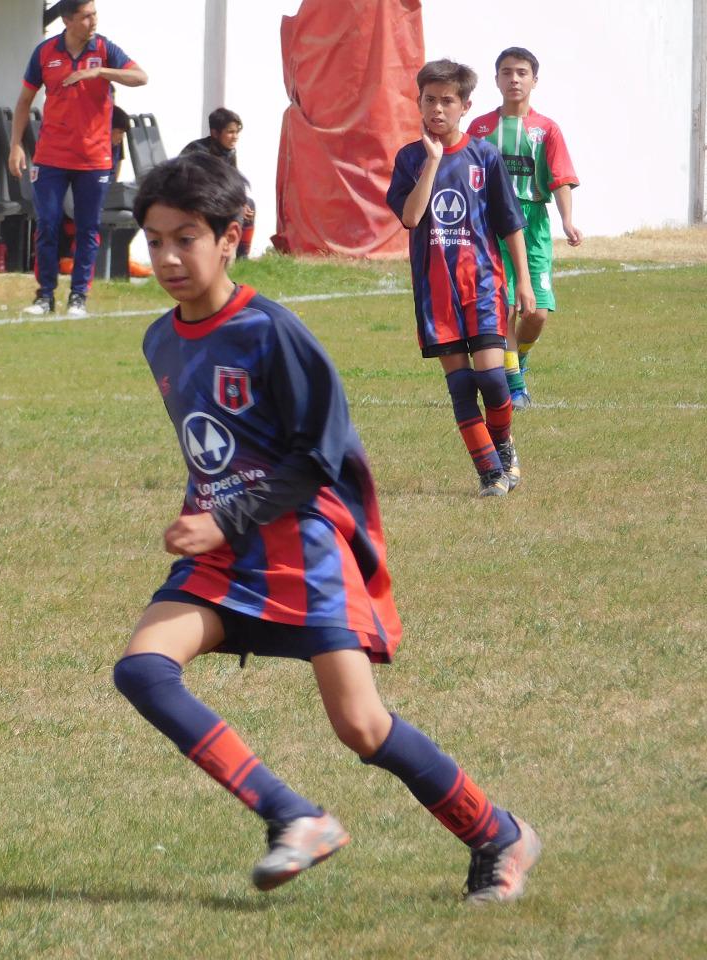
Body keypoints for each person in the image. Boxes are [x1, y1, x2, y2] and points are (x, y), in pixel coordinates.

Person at [112, 150, 541, 903]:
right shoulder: (160, 340)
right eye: (155, 240)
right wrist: (200, 513)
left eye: (187, 237)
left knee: (362, 727)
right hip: (226, 550)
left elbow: (320, 457)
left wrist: (229, 518)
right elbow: (217, 446)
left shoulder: (272, 332)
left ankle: (497, 833)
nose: (170, 256)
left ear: (232, 238)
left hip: (302, 545)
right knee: (143, 669)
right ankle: (293, 816)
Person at [387, 59, 533, 497]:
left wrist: (523, 281)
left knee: (491, 378)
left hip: (483, 285)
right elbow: (411, 218)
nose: (437, 109)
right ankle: (489, 472)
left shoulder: (484, 157)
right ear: (419, 102)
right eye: (429, 100)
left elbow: (510, 223)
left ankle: (503, 443)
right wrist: (432, 163)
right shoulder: (409, 159)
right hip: (436, 293)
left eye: (447, 101)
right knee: (461, 387)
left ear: (465, 105)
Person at [7, 0, 146, 318]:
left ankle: (79, 297)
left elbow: (141, 77)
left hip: (94, 158)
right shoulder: (44, 53)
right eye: (86, 16)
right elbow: (24, 102)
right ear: (68, 20)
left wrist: (100, 71)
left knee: (87, 228)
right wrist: (15, 146)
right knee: (48, 225)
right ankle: (44, 296)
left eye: (94, 14)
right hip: (51, 156)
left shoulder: (106, 49)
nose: (93, 20)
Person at [468, 47, 581, 409]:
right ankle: (515, 388)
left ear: (534, 79)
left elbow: (560, 178)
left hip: (532, 224)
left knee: (536, 314)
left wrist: (566, 219)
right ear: (496, 79)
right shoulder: (481, 129)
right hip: (491, 227)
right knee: (504, 308)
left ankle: (520, 358)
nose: (513, 79)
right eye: (506, 72)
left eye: (521, 72)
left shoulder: (546, 129)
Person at [180, 107, 256, 258]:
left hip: (217, 197)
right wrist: (234, 204)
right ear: (215, 133)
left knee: (249, 204)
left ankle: (242, 256)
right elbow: (197, 187)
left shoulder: (229, 151)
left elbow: (233, 181)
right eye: (230, 132)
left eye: (237, 132)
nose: (235, 137)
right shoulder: (198, 152)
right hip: (193, 199)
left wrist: (241, 202)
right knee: (235, 208)